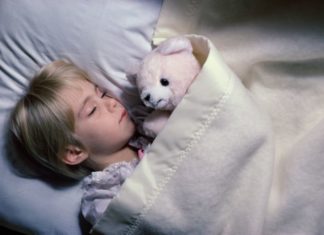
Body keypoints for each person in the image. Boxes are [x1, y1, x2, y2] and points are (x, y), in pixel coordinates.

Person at [9, 60, 149, 225]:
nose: (111, 102)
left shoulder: (150, 128)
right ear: (74, 152)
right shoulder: (104, 199)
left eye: (103, 94)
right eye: (92, 110)